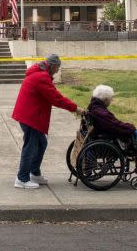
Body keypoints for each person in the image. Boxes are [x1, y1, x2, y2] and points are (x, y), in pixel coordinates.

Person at [11, 54, 85, 189]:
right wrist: (76, 108)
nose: (57, 71)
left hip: (30, 115)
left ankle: (34, 173)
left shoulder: (40, 73)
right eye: (57, 68)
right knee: (31, 146)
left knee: (41, 143)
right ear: (51, 66)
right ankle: (22, 178)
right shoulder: (42, 77)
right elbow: (56, 98)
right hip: (30, 117)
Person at [87, 84, 137, 185]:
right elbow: (115, 126)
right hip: (113, 140)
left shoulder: (94, 107)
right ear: (105, 99)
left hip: (106, 136)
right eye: (110, 99)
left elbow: (114, 124)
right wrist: (132, 128)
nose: (111, 101)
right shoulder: (101, 112)